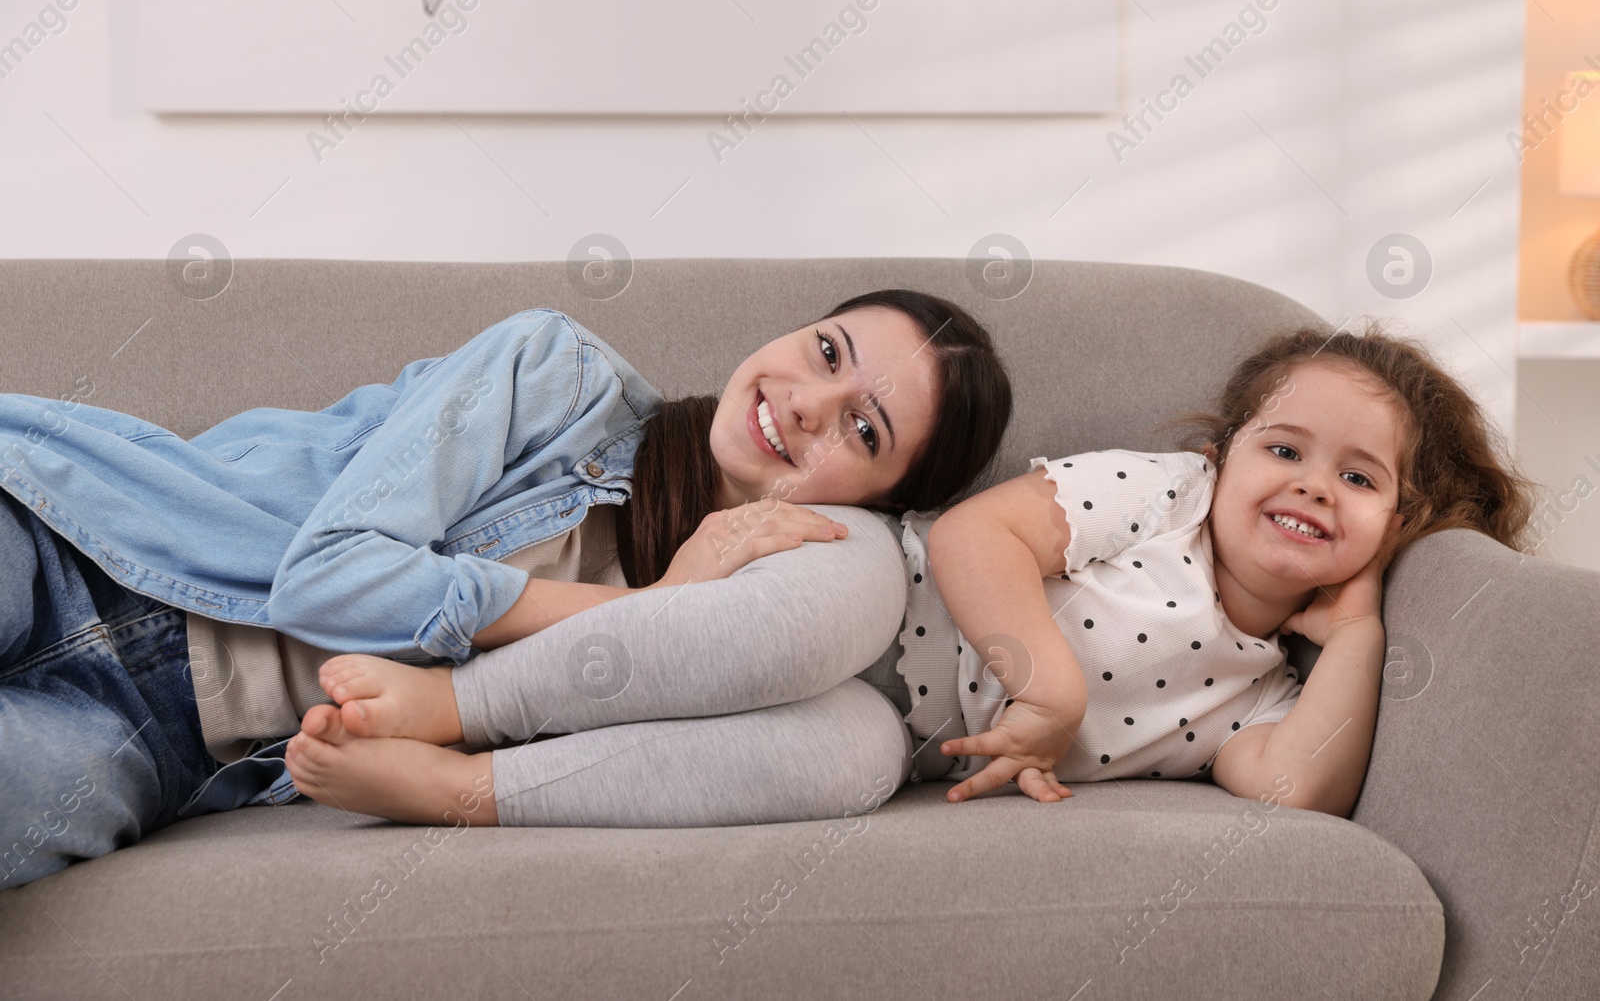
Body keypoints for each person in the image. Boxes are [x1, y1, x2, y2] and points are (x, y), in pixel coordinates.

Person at [283, 318, 1537, 826]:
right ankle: (458, 704)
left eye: (1359, 480)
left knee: (842, 766)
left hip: (902, 728)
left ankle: (465, 791)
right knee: (779, 634)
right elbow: (972, 537)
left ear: (1401, 521)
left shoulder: (1263, 687)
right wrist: (1035, 674)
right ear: (1226, 454)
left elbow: (1288, 784)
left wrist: (1362, 629)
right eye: (1285, 448)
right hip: (871, 581)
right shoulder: (1167, 498)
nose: (1313, 484)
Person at [0, 290, 1012, 888]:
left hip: (162, 746)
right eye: (825, 352)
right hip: (78, 543)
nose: (804, 404)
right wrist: (656, 606)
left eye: (862, 429)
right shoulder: (555, 374)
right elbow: (328, 577)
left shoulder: (733, 646)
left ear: (884, 510)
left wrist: (687, 614)